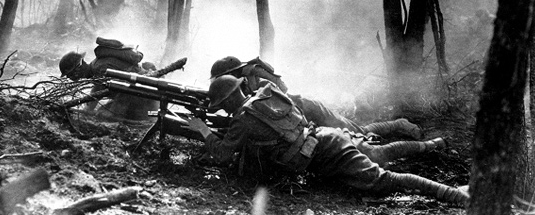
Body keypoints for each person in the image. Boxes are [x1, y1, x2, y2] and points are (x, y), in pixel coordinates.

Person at [184, 76, 469, 206]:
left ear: (229, 100)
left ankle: (457, 195)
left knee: (383, 179)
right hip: (323, 140)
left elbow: (222, 155)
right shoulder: (264, 96)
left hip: (325, 152)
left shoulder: (243, 119)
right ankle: (432, 147)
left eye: (221, 104)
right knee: (379, 155)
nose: (221, 109)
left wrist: (203, 130)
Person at [209, 56, 422, 141]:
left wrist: (258, 79)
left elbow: (282, 88)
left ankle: (399, 124)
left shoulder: (253, 74)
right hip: (295, 120)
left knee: (358, 132)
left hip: (306, 108)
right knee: (351, 135)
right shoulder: (237, 89)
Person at [59, 37, 157, 119]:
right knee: (102, 113)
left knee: (107, 116)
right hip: (142, 93)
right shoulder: (96, 68)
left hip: (146, 95)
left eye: (70, 74)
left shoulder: (99, 68)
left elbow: (123, 89)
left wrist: (112, 112)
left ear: (77, 69)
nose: (70, 78)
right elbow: (96, 92)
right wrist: (88, 110)